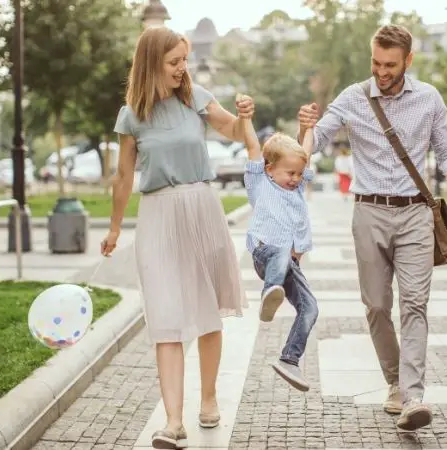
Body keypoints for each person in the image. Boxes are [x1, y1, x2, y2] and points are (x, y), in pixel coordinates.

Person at [297, 24, 447, 433]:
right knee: (378, 306)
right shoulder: (352, 97)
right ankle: (395, 381)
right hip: (369, 212)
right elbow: (315, 141)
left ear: (408, 61)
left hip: (416, 213)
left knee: (414, 304)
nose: (382, 72)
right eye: (376, 63)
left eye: (390, 65)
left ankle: (413, 396)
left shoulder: (429, 98)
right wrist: (304, 131)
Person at [100, 27, 253, 449]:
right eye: (174, 61)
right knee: (165, 316)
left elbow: (236, 133)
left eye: (184, 59)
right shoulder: (132, 114)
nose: (182, 68)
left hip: (201, 207)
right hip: (158, 215)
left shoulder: (196, 98)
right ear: (152, 63)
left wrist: (244, 114)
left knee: (207, 309)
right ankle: (172, 421)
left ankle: (208, 398)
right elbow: (123, 177)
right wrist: (114, 228)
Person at [239, 99, 319, 392]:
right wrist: (245, 117)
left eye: (300, 174)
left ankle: (289, 359)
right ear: (269, 168)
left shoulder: (297, 186)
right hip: (266, 253)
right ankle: (269, 292)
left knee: (310, 308)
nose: (296, 180)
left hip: (288, 262)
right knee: (282, 248)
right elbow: (251, 146)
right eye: (290, 174)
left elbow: (305, 153)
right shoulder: (260, 182)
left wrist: (308, 127)